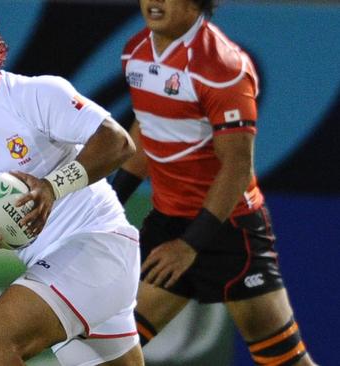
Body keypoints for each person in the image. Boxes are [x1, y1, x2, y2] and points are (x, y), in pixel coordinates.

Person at [0, 3, 143, 366]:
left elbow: (118, 142)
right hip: (56, 265)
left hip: (98, 244)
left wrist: (50, 187)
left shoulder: (32, 95)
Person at [114, 1, 315, 365]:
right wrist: (112, 201)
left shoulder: (222, 66)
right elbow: (147, 129)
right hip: (168, 225)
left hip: (228, 231)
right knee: (109, 348)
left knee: (284, 361)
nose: (154, 2)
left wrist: (190, 246)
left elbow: (237, 166)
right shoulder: (136, 51)